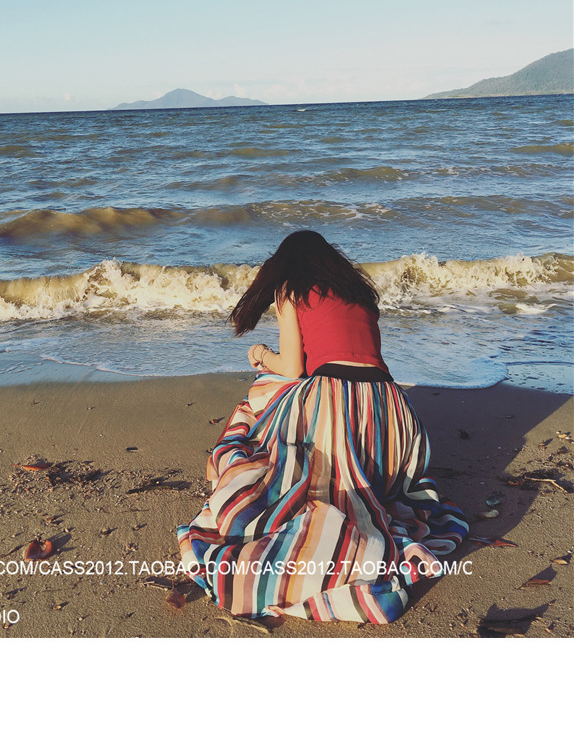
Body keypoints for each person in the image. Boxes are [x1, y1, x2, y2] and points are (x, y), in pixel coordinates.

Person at [177, 230, 469, 624]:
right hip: (394, 416)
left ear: (286, 263)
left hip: (338, 404)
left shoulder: (290, 290)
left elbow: (293, 368)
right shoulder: (360, 293)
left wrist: (260, 354)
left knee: (263, 390)